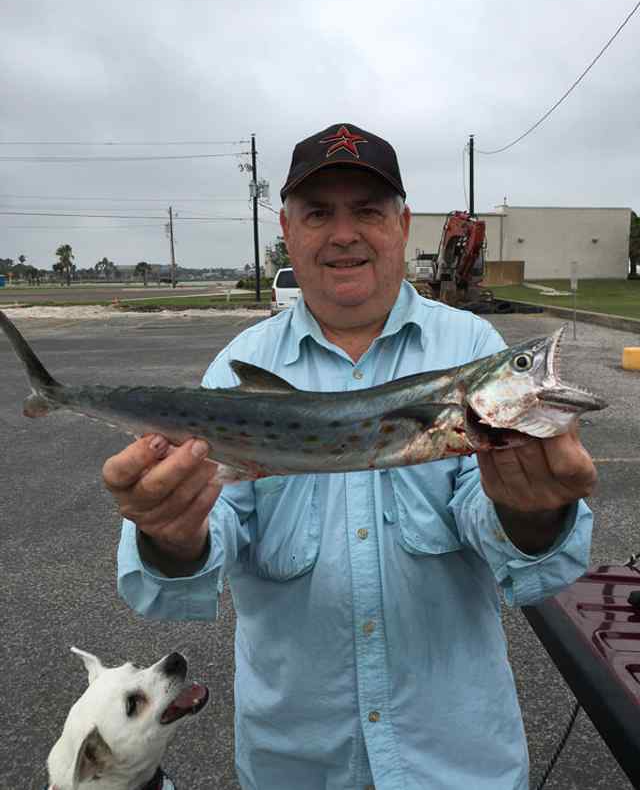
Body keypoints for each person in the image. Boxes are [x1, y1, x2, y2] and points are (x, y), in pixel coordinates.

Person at [106, 123, 597, 790]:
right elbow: (201, 547)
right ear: (286, 227)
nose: (344, 233)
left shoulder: (469, 344)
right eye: (318, 213)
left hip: (457, 764)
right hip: (295, 766)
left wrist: (532, 513)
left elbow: (515, 551)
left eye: (367, 209)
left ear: (402, 223)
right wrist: (170, 532)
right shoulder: (238, 367)